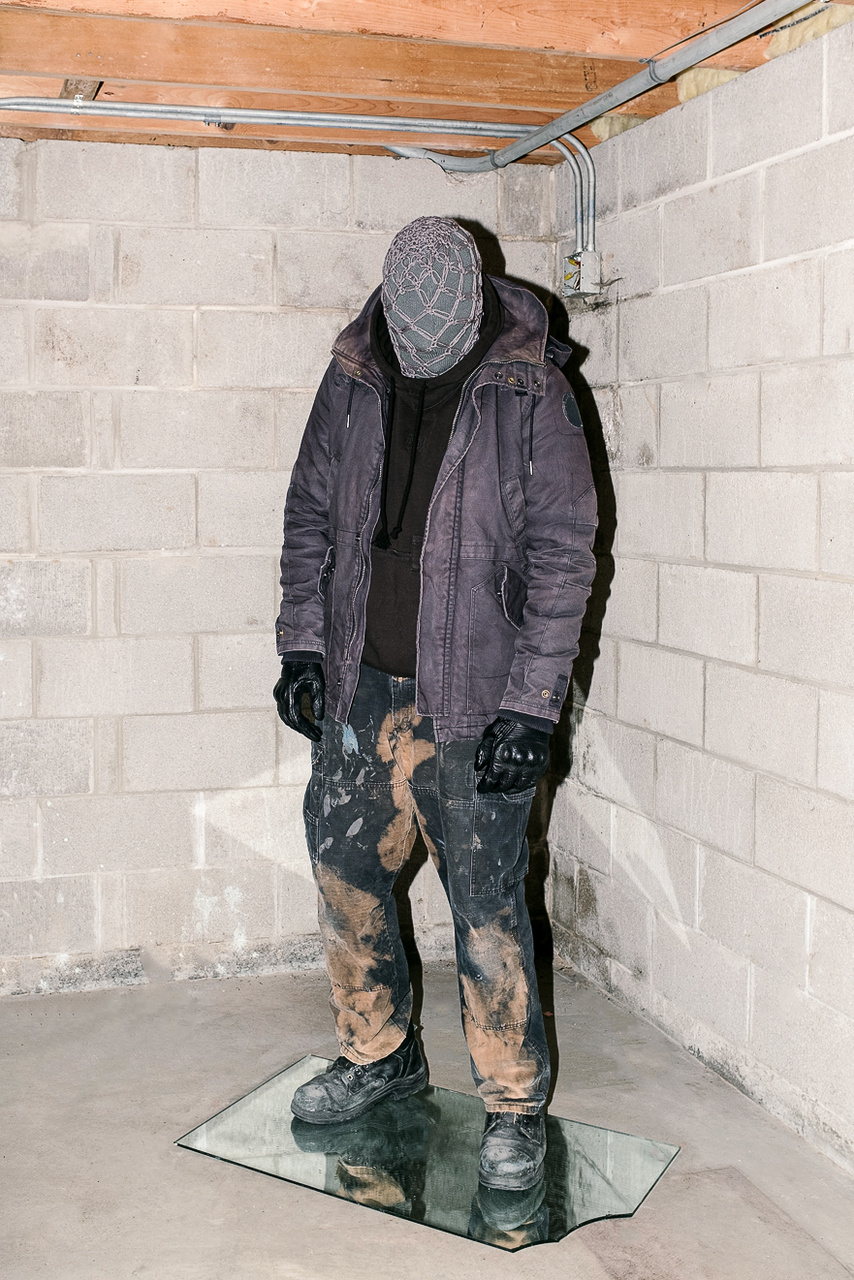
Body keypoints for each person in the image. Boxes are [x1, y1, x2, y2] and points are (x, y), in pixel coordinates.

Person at [274, 216, 597, 1192]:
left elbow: (563, 555)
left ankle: (513, 1105)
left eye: (437, 343)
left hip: (478, 697)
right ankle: (378, 1055)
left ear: (470, 308)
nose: (420, 355)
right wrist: (301, 643)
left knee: (486, 904)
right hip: (361, 684)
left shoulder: (530, 385)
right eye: (406, 339)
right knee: (343, 873)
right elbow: (308, 512)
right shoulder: (352, 372)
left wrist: (532, 707)